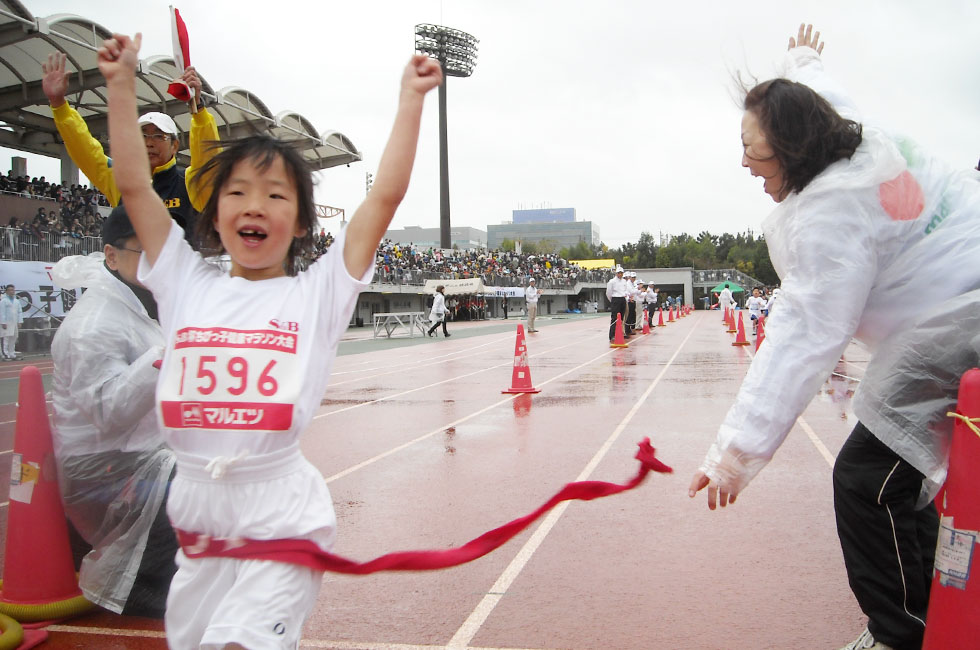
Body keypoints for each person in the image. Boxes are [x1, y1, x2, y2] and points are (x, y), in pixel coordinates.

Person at [99, 31, 442, 648]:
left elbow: (384, 197)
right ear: (215, 211)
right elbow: (135, 188)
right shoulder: (183, 278)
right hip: (199, 522)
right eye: (237, 192)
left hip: (281, 512)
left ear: (301, 220)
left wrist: (410, 98)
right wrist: (121, 89)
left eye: (275, 195)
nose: (254, 205)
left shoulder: (317, 293)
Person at [687, 24, 980, 650]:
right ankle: (932, 615)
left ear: (794, 151)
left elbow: (803, 336)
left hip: (963, 314)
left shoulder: (831, 214)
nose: (744, 163)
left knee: (865, 478)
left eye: (754, 150)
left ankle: (902, 634)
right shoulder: (847, 134)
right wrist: (804, 59)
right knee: (896, 477)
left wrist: (734, 453)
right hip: (961, 296)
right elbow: (823, 90)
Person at [50, 205, 177, 617]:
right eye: (148, 252)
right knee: (199, 478)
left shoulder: (136, 305)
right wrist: (163, 358)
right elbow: (108, 412)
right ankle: (135, 585)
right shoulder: (95, 324)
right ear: (111, 255)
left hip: (131, 455)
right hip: (102, 469)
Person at [42, 51, 219, 246]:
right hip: (130, 276)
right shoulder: (121, 180)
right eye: (143, 136)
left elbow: (208, 160)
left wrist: (199, 111)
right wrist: (59, 105)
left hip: (181, 276)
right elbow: (86, 150)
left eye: (159, 136)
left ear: (175, 145)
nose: (149, 142)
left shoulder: (189, 182)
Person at [0, 284, 22, 360]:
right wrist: (3, 322)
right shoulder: (3, 301)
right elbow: (2, 312)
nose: (11, 291)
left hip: (14, 322)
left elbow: (20, 312)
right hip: (6, 322)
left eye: (12, 290)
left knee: (13, 338)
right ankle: (5, 354)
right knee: (6, 338)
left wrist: (20, 321)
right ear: (6, 291)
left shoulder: (16, 301)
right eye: (9, 290)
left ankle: (11, 353)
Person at [605, 267, 627, 340]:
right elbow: (608, 292)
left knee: (621, 318)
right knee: (614, 318)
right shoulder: (612, 281)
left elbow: (625, 290)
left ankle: (619, 333)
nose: (620, 274)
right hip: (615, 298)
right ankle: (612, 335)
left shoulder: (624, 281)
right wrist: (612, 300)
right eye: (619, 273)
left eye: (621, 273)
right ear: (616, 273)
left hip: (622, 298)